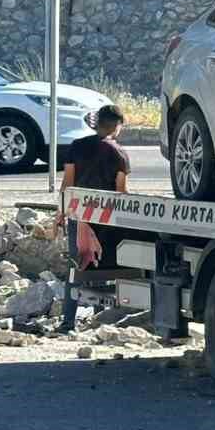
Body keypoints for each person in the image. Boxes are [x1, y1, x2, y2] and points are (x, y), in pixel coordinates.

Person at [58, 105, 130, 332]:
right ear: (118, 126)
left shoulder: (77, 147)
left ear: (96, 123)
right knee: (103, 268)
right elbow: (120, 192)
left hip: (78, 217)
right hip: (105, 220)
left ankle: (67, 322)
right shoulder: (119, 153)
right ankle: (100, 322)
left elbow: (67, 183)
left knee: (76, 268)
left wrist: (59, 214)